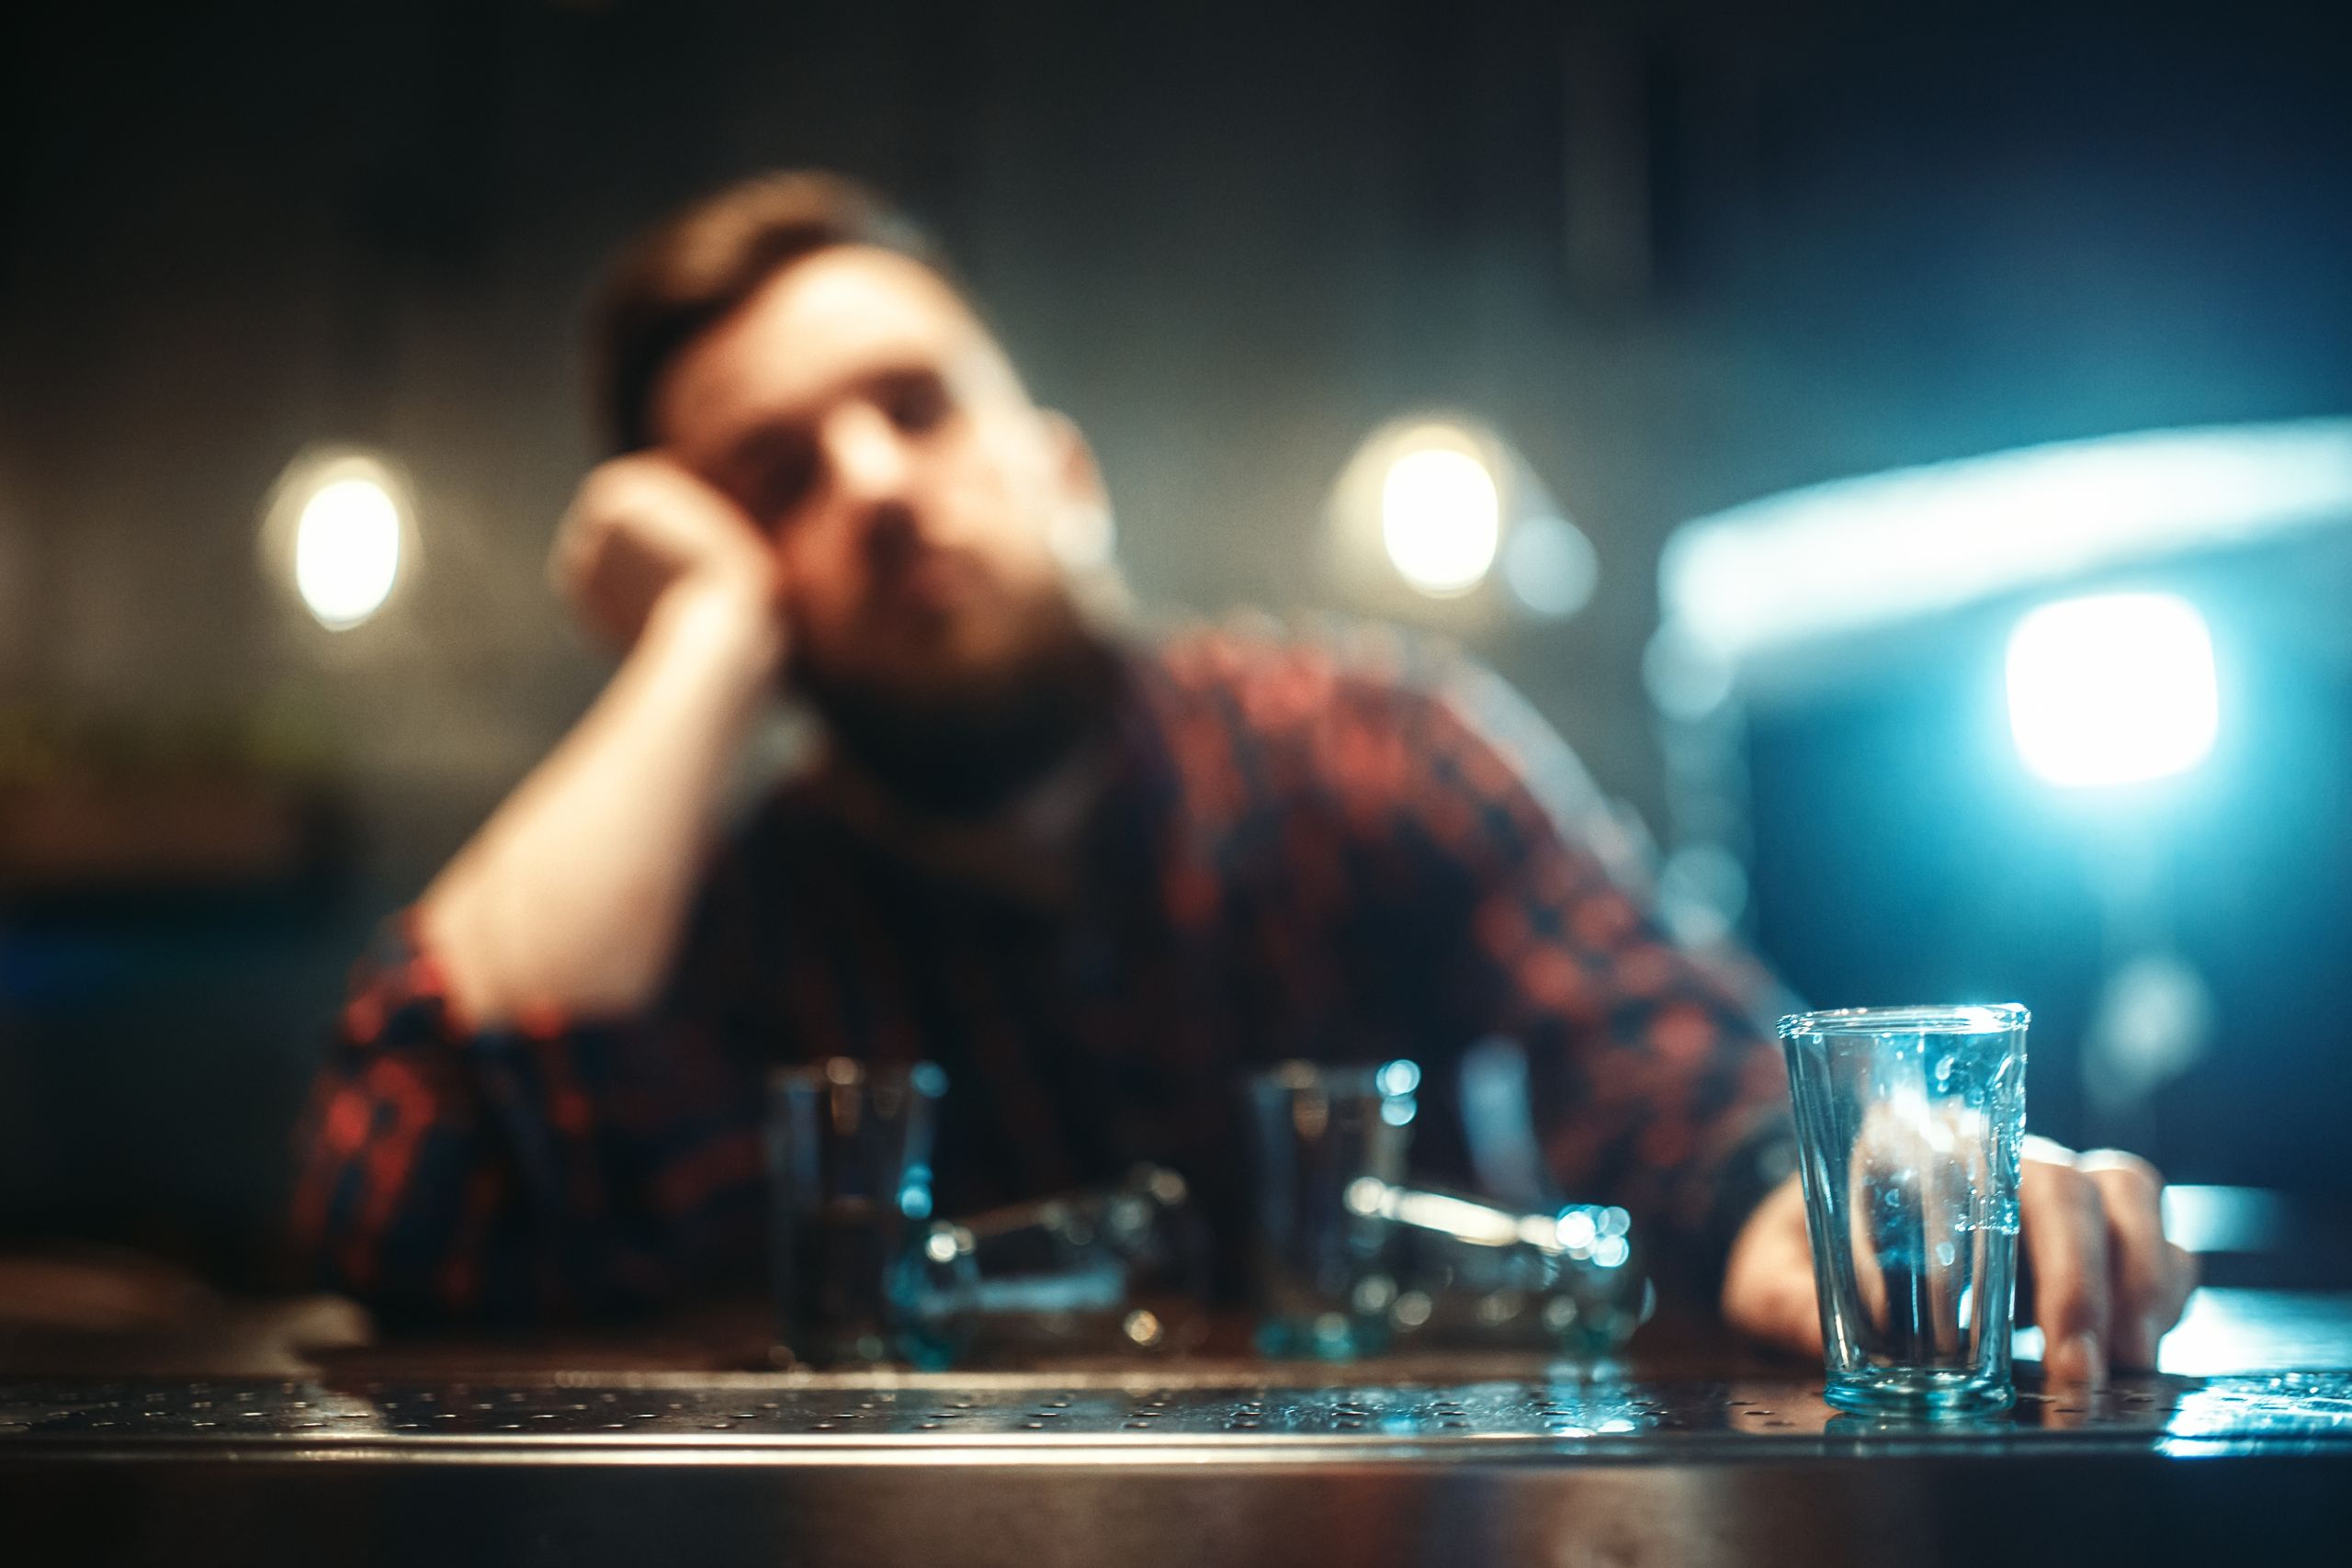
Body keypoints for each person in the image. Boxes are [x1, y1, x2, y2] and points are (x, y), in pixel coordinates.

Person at [291, 173, 2193, 1382]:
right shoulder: (730, 911)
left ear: (1061, 471)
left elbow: (1658, 1049)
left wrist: (1820, 1196)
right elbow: (402, 1207)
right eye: (772, 478)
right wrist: (692, 647)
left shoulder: (1365, 742)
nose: (868, 482)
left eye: (915, 407)